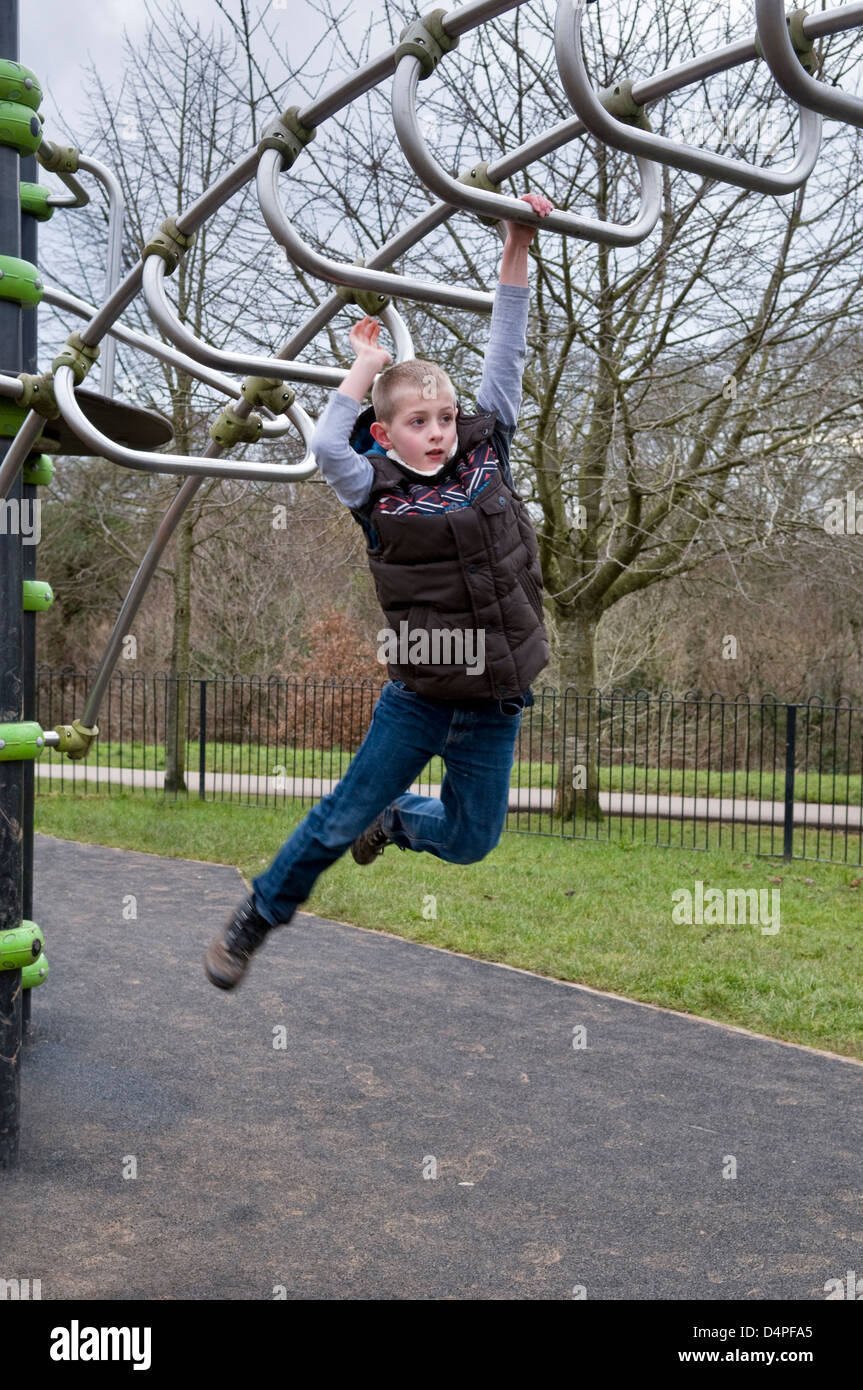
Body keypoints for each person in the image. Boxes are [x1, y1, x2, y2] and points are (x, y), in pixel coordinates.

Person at [205, 191, 553, 989]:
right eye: (418, 421)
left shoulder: (488, 450)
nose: (436, 430)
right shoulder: (374, 487)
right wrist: (361, 370)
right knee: (338, 819)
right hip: (423, 694)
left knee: (471, 840)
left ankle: (398, 824)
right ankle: (256, 918)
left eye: (443, 416)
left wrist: (516, 244)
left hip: (496, 696)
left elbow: (509, 345)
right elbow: (327, 439)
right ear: (387, 432)